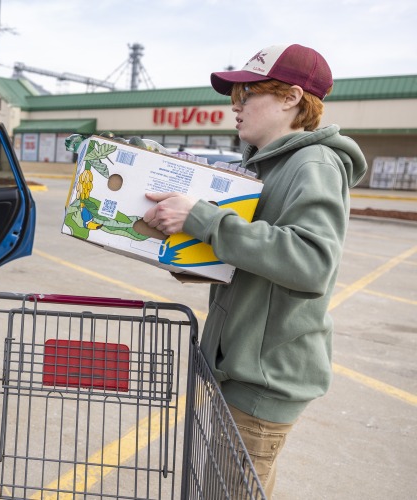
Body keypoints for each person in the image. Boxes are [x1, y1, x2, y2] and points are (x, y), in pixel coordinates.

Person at [142, 44, 367, 497]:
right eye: (234, 97)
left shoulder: (314, 164)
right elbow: (257, 261)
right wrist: (188, 252)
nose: (236, 107)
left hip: (263, 380)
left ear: (291, 98)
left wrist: (204, 219)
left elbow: (310, 262)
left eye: (248, 94)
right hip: (242, 370)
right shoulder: (270, 166)